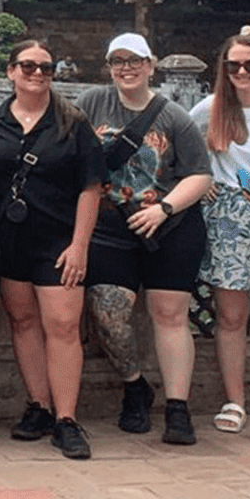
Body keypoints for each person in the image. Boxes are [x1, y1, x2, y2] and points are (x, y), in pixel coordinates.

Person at [0, 40, 103, 460]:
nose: (37, 74)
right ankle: (39, 405)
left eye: (45, 68)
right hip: (9, 239)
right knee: (23, 321)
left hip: (59, 238)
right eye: (28, 66)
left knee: (63, 325)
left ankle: (66, 417)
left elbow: (91, 186)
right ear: (11, 71)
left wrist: (80, 245)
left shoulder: (71, 122)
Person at [82, 32, 212, 445]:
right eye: (118, 60)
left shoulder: (174, 116)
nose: (126, 68)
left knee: (170, 314)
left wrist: (165, 208)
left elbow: (200, 173)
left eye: (135, 60)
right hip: (110, 228)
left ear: (150, 65)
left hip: (169, 227)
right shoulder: (91, 104)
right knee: (107, 312)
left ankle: (178, 407)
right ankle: (135, 385)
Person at [191, 28, 250, 435]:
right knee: (231, 315)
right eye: (234, 65)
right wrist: (201, 184)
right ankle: (235, 400)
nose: (242, 71)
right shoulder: (210, 109)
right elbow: (182, 148)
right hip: (228, 217)